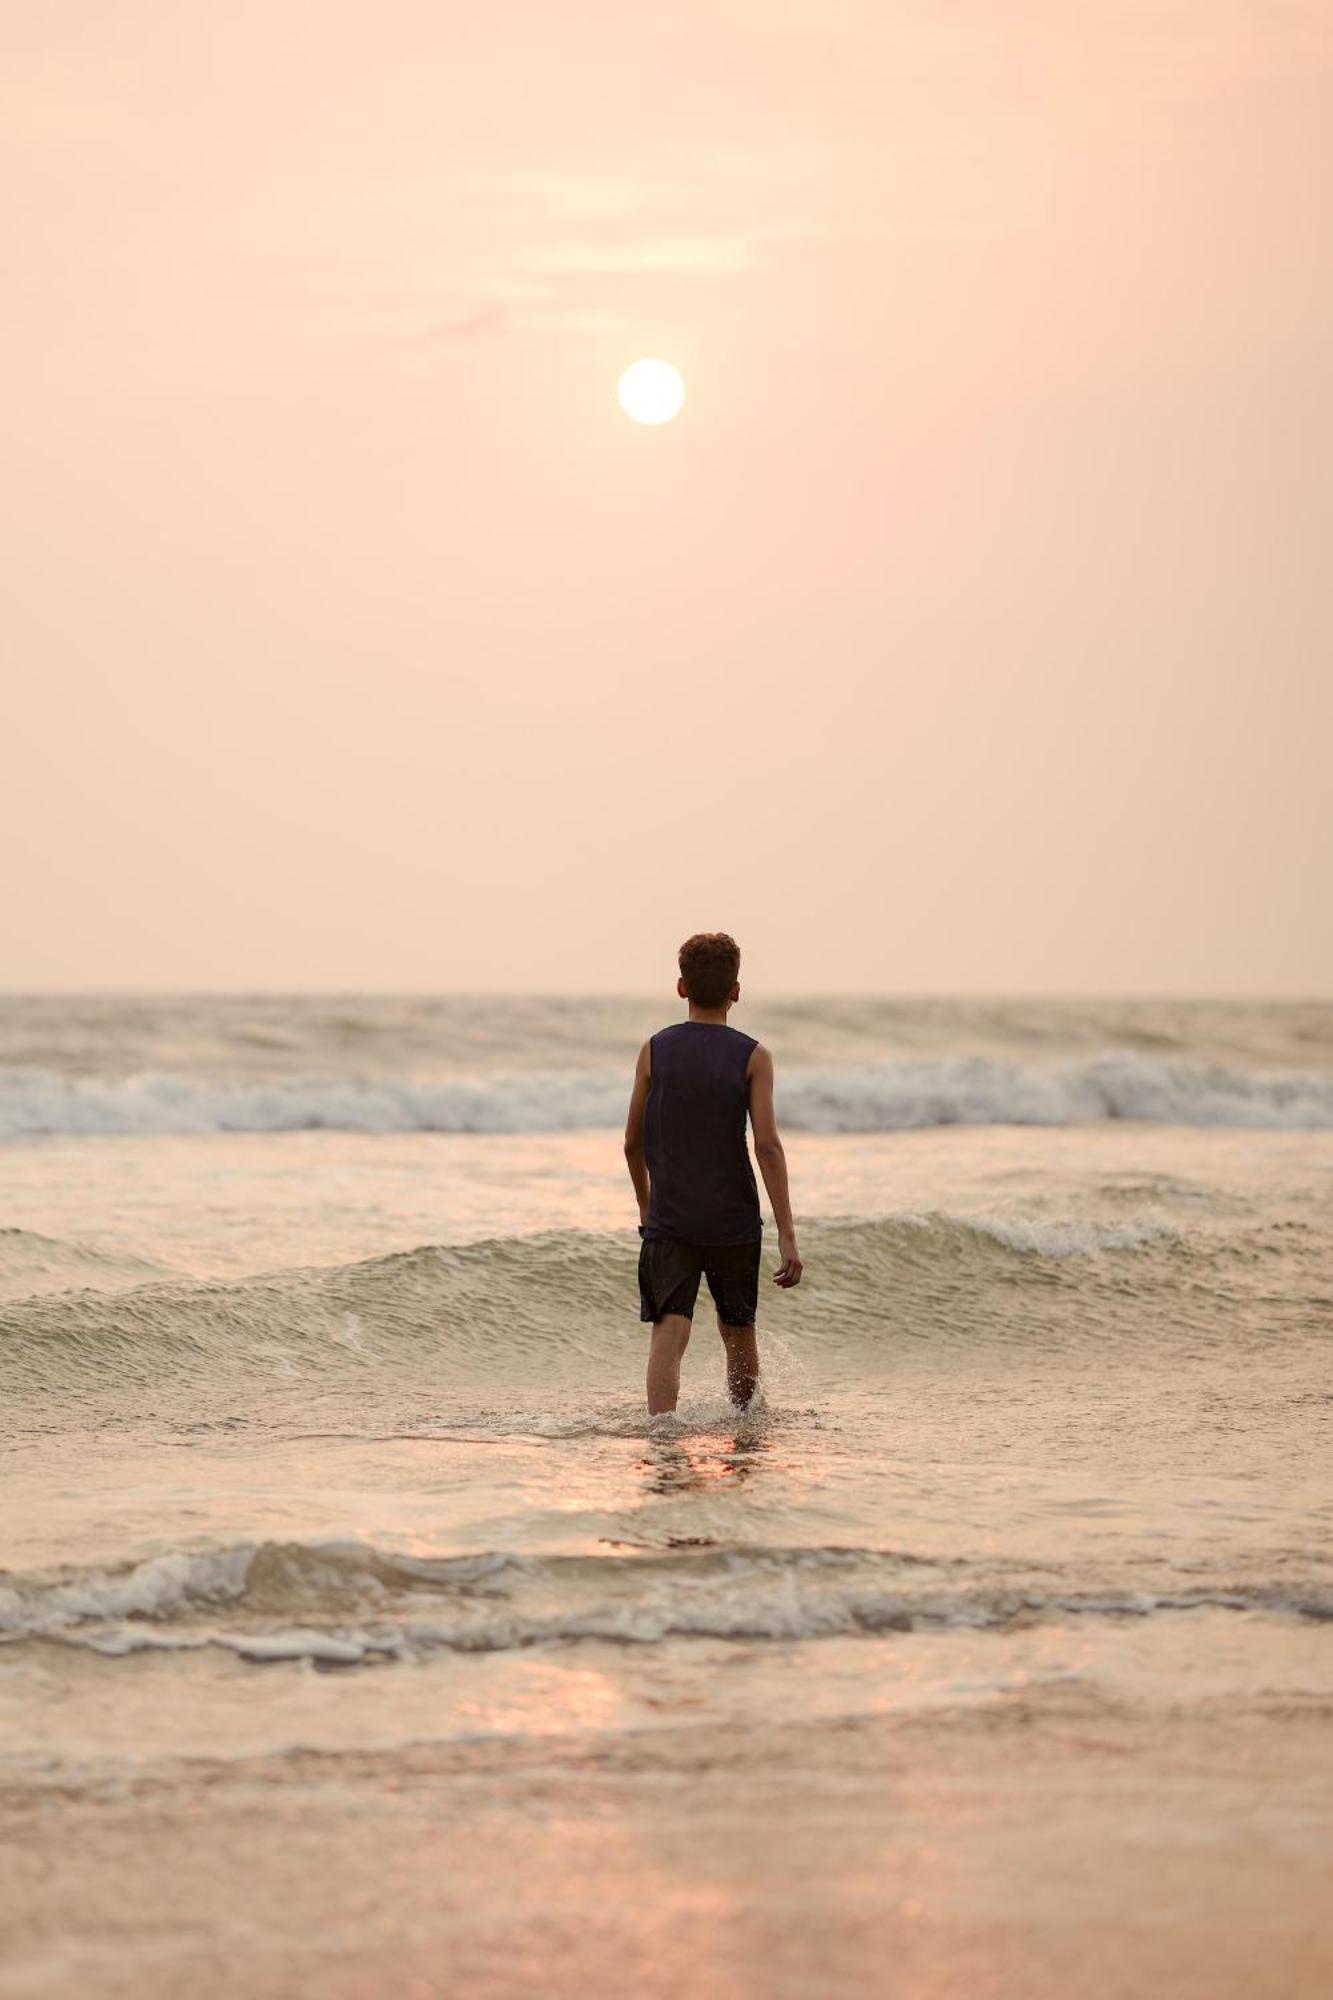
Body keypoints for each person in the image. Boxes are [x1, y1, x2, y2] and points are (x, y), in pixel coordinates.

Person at [623, 932, 803, 1416]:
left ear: (681, 987)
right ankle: (745, 1433)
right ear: (736, 991)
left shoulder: (653, 1051)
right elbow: (767, 1145)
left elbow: (631, 1142)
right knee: (738, 1330)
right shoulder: (754, 1056)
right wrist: (787, 1233)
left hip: (671, 1218)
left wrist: (646, 1204)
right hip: (732, 1219)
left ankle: (661, 1434)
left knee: (670, 1329)